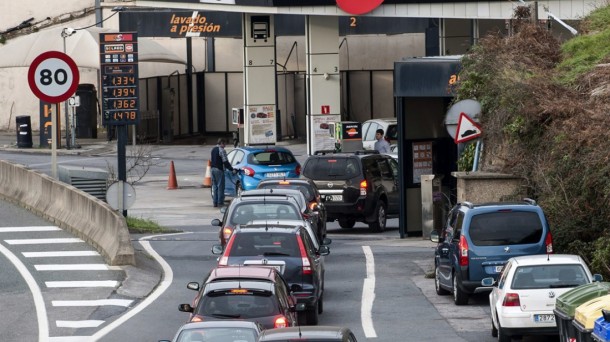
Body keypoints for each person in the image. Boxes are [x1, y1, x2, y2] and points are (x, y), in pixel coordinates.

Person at [210, 138, 235, 207]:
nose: (225, 146)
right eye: (224, 144)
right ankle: (220, 202)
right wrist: (231, 169)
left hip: (212, 169)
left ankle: (215, 202)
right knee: (221, 187)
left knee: (215, 187)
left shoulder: (213, 149)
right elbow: (225, 161)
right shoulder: (222, 150)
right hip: (219, 170)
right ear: (221, 143)